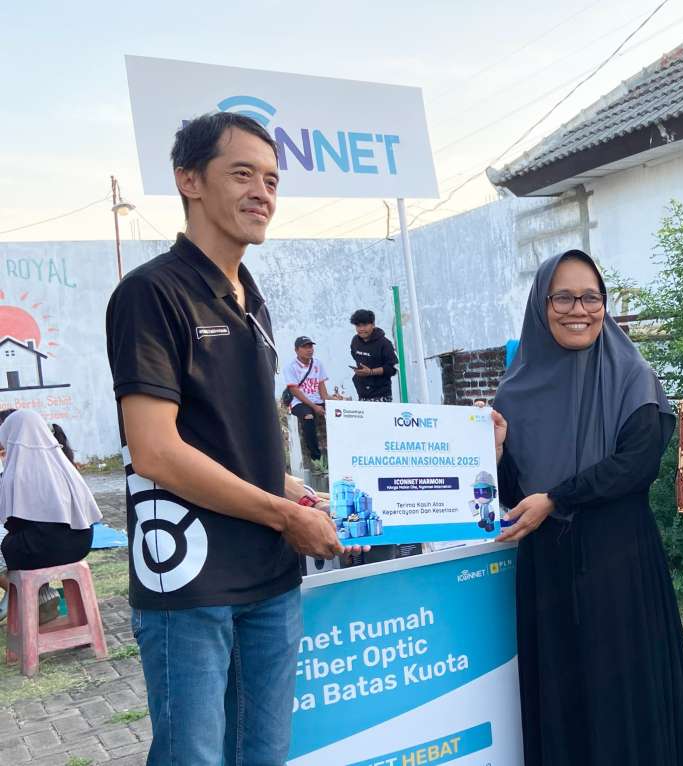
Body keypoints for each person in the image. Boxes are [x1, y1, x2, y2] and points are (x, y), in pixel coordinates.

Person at [105, 111, 350, 765]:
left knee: (264, 754)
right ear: (188, 180)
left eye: (271, 180)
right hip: (190, 584)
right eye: (242, 174)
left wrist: (296, 493)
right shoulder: (151, 293)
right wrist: (284, 515)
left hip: (270, 576)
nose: (261, 193)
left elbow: (230, 436)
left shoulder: (250, 298)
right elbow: (156, 451)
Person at [491, 249, 683, 766]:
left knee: (624, 695)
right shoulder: (513, 393)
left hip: (618, 562)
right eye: (563, 297)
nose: (579, 310)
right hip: (548, 568)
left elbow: (637, 466)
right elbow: (513, 497)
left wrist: (557, 498)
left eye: (591, 297)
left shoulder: (632, 375)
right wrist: (494, 455)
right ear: (541, 305)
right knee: (562, 694)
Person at [0, 410, 100, 625]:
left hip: (44, 551)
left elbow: (12, 524)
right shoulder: (63, 463)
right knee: (34, 537)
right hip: (81, 544)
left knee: (9, 544)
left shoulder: (16, 470)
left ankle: (33, 595)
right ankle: (41, 594)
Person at [285, 336, 330, 462]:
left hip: (317, 400)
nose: (309, 350)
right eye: (304, 347)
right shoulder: (290, 367)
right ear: (296, 350)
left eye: (310, 347)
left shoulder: (318, 363)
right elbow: (294, 390)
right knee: (308, 416)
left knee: (338, 413)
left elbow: (321, 386)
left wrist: (329, 402)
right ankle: (316, 457)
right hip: (299, 402)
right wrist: (314, 407)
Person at [349, 309, 398, 402]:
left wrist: (371, 372)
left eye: (365, 325)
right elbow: (355, 356)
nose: (361, 329)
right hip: (362, 394)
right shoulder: (355, 341)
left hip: (381, 395)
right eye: (358, 326)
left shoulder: (384, 343)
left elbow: (393, 368)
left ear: (373, 324)